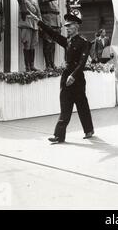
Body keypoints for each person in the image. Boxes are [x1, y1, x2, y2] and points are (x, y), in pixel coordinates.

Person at [37, 13, 95, 143]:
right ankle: (59, 135)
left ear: (76, 27)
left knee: (82, 106)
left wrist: (73, 76)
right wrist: (40, 23)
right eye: (66, 26)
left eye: (69, 26)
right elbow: (54, 34)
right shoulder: (67, 41)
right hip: (66, 76)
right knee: (65, 105)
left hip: (77, 77)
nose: (67, 28)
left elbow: (82, 62)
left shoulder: (84, 42)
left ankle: (89, 130)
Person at [38, 0, 64, 70]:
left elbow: (56, 12)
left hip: (55, 24)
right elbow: (45, 0)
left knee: (53, 45)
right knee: (47, 45)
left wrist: (59, 23)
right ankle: (48, 65)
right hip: (48, 24)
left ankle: (52, 64)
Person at [17, 0, 41, 72]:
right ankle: (27, 66)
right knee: (27, 45)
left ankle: (32, 65)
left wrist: (41, 24)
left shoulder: (34, 0)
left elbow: (39, 13)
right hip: (26, 24)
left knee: (33, 45)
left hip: (35, 24)